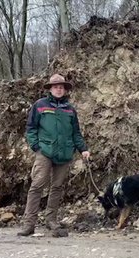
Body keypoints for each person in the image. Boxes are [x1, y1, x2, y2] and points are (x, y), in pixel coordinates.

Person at [18, 74, 90, 237]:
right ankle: (29, 224)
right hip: (45, 152)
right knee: (37, 185)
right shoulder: (40, 105)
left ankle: (51, 221)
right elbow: (30, 128)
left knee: (57, 187)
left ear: (65, 90)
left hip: (64, 153)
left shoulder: (70, 110)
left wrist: (83, 149)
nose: (59, 89)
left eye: (61, 87)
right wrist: (36, 146)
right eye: (56, 86)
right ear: (50, 88)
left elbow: (76, 133)